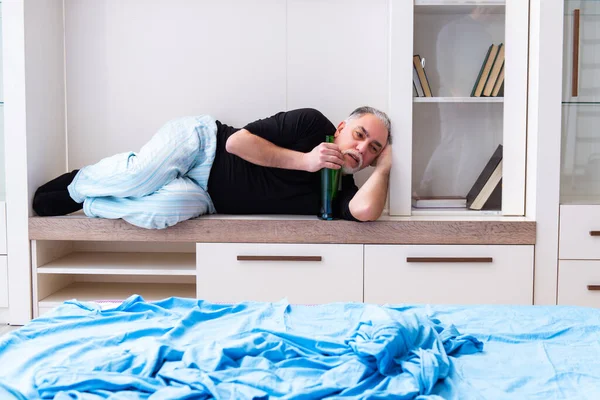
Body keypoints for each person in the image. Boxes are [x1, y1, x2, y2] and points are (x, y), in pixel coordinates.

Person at [32, 107, 392, 229]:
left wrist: (386, 169)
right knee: (137, 178)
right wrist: (306, 161)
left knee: (161, 210)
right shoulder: (311, 124)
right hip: (203, 144)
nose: (361, 149)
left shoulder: (340, 191)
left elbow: (364, 212)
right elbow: (237, 143)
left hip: (206, 198)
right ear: (342, 129)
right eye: (359, 135)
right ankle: (78, 185)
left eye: (373, 149)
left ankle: (93, 203)